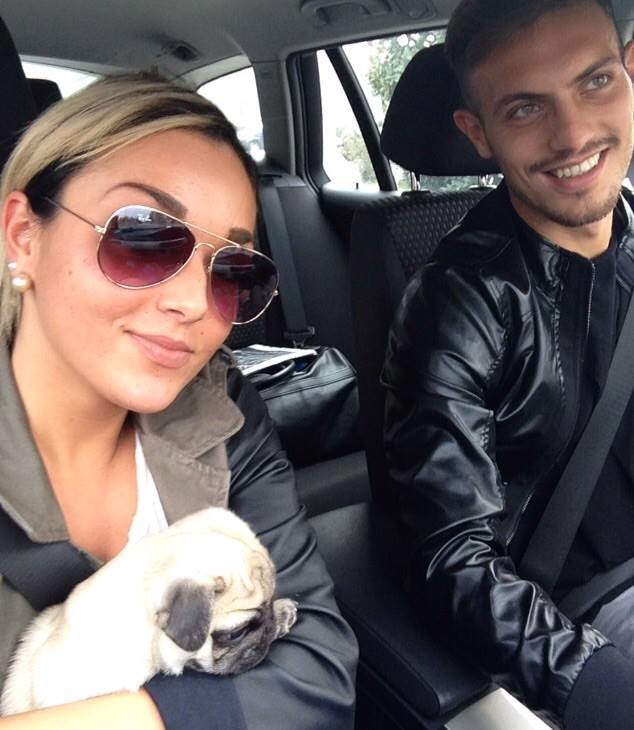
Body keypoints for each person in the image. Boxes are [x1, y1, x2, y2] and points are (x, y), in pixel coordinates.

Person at [0, 73, 357, 729]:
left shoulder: (224, 412)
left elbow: (318, 674)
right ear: (23, 234)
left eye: (235, 271)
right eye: (143, 238)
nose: (194, 303)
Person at [382, 1, 634, 728]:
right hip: (579, 614)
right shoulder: (456, 303)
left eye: (594, 82)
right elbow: (452, 555)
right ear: (477, 133)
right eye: (525, 109)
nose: (573, 135)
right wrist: (598, 685)